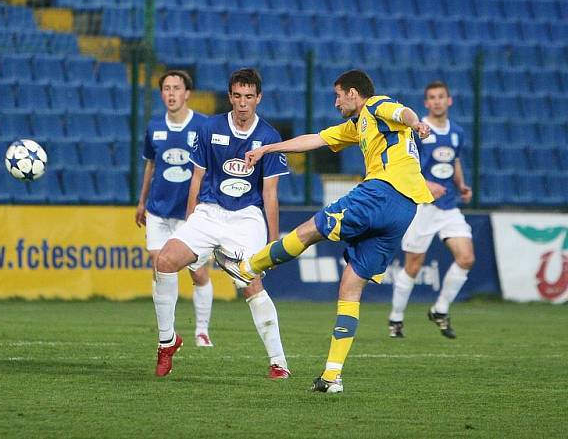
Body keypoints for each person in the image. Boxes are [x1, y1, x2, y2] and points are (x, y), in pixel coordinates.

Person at [214, 69, 433, 393]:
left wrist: (416, 123)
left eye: (338, 95)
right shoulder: (358, 124)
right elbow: (315, 139)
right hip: (406, 209)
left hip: (382, 191)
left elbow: (401, 111)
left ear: (354, 94)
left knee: (311, 229)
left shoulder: (375, 106)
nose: (335, 102)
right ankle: (332, 376)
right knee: (350, 284)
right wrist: (266, 150)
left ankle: (247, 268)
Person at [152, 68, 291, 379]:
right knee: (164, 261)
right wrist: (191, 221)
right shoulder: (210, 128)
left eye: (249, 97)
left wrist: (273, 243)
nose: (243, 103)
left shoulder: (269, 137)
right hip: (209, 212)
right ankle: (167, 342)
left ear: (259, 98)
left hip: (246, 217)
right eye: (237, 96)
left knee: (249, 283)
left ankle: (279, 362)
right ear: (230, 97)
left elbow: (270, 195)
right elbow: (196, 178)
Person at [388, 81, 474, 339]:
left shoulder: (457, 132)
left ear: (449, 100)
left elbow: (454, 161)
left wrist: (461, 185)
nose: (437, 101)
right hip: (423, 206)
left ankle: (440, 309)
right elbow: (404, 165)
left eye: (441, 97)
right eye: (432, 98)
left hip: (448, 206)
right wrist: (426, 184)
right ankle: (396, 318)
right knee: (413, 265)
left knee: (467, 258)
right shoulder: (417, 130)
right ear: (426, 103)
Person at [136, 70, 214, 348]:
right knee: (160, 270)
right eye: (166, 88)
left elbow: (211, 169)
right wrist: (141, 201)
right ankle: (167, 334)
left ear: (187, 93)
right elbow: (151, 165)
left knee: (199, 273)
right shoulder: (154, 127)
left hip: (189, 215)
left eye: (176, 88)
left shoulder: (203, 127)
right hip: (158, 210)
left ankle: (202, 330)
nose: (171, 93)